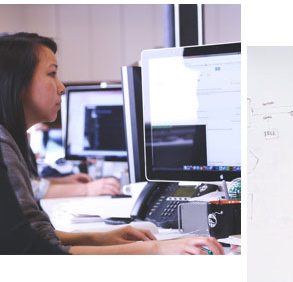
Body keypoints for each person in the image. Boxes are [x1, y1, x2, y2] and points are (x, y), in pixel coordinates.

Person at [0, 32, 222, 254]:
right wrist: (156, 250)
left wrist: (98, 238)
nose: (61, 87)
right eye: (51, 74)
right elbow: (35, 252)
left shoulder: (9, 141)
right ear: (16, 82)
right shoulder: (3, 146)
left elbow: (31, 233)